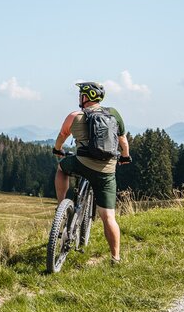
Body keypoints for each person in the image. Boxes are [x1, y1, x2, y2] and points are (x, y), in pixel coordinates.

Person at [53, 81, 131, 263]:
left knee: (61, 168)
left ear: (86, 97)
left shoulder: (74, 116)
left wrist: (57, 150)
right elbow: (123, 142)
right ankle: (115, 258)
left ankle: (61, 207)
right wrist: (125, 156)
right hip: (106, 172)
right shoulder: (114, 114)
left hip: (82, 164)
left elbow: (61, 138)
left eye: (81, 94)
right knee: (108, 217)